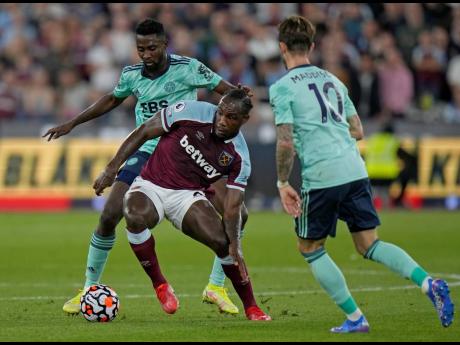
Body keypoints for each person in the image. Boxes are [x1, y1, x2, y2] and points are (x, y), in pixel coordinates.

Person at [43, 18, 245, 316]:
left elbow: (224, 92)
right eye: (140, 49)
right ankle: (88, 288)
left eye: (152, 47)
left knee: (238, 212)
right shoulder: (132, 75)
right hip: (148, 151)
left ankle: (216, 286)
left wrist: (241, 96)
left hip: (189, 155)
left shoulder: (189, 67)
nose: (146, 54)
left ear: (165, 44)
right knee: (110, 214)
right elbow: (112, 99)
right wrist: (73, 122)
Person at [270, 15, 454, 333]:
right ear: (312, 46)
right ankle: (428, 282)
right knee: (369, 243)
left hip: (322, 174)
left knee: (310, 247)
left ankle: (356, 318)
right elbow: (357, 129)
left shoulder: (282, 87)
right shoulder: (333, 79)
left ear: (282, 47)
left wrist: (283, 182)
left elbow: (286, 140)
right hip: (354, 170)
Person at [92, 89, 271, 321]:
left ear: (244, 120)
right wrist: (111, 168)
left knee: (222, 242)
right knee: (133, 213)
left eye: (231, 118)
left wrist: (236, 245)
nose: (222, 121)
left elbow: (233, 207)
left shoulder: (239, 156)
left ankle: (252, 307)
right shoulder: (191, 111)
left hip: (187, 195)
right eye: (220, 114)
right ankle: (160, 285)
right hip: (151, 184)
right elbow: (144, 131)